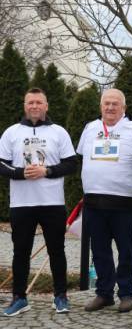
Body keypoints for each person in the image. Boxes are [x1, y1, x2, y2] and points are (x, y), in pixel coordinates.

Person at [0, 88, 78, 316]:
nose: (34, 106)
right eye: (30, 102)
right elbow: (1, 164)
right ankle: (19, 298)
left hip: (52, 202)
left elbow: (71, 164)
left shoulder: (58, 132)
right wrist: (20, 173)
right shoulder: (11, 132)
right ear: (25, 106)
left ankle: (61, 296)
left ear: (46, 106)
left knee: (57, 251)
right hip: (21, 204)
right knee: (20, 252)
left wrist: (47, 171)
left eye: (38, 102)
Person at [77, 88, 132, 313]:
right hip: (94, 201)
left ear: (124, 107)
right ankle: (104, 293)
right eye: (106, 103)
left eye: (115, 103)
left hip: (124, 201)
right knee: (99, 250)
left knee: (126, 250)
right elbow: (82, 158)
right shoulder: (90, 128)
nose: (110, 107)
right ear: (101, 106)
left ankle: (126, 293)